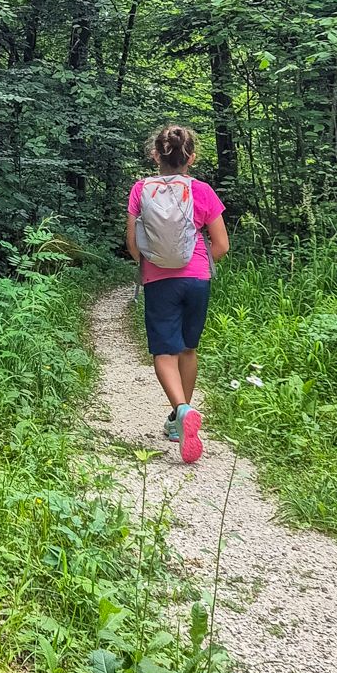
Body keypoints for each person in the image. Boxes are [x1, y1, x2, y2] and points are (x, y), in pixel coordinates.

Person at [124, 124, 229, 463]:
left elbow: (132, 245)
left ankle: (182, 409)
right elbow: (222, 246)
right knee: (188, 348)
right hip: (197, 279)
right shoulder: (203, 191)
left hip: (158, 281)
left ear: (156, 155)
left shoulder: (141, 190)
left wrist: (153, 264)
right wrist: (196, 263)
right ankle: (177, 419)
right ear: (191, 158)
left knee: (164, 352)